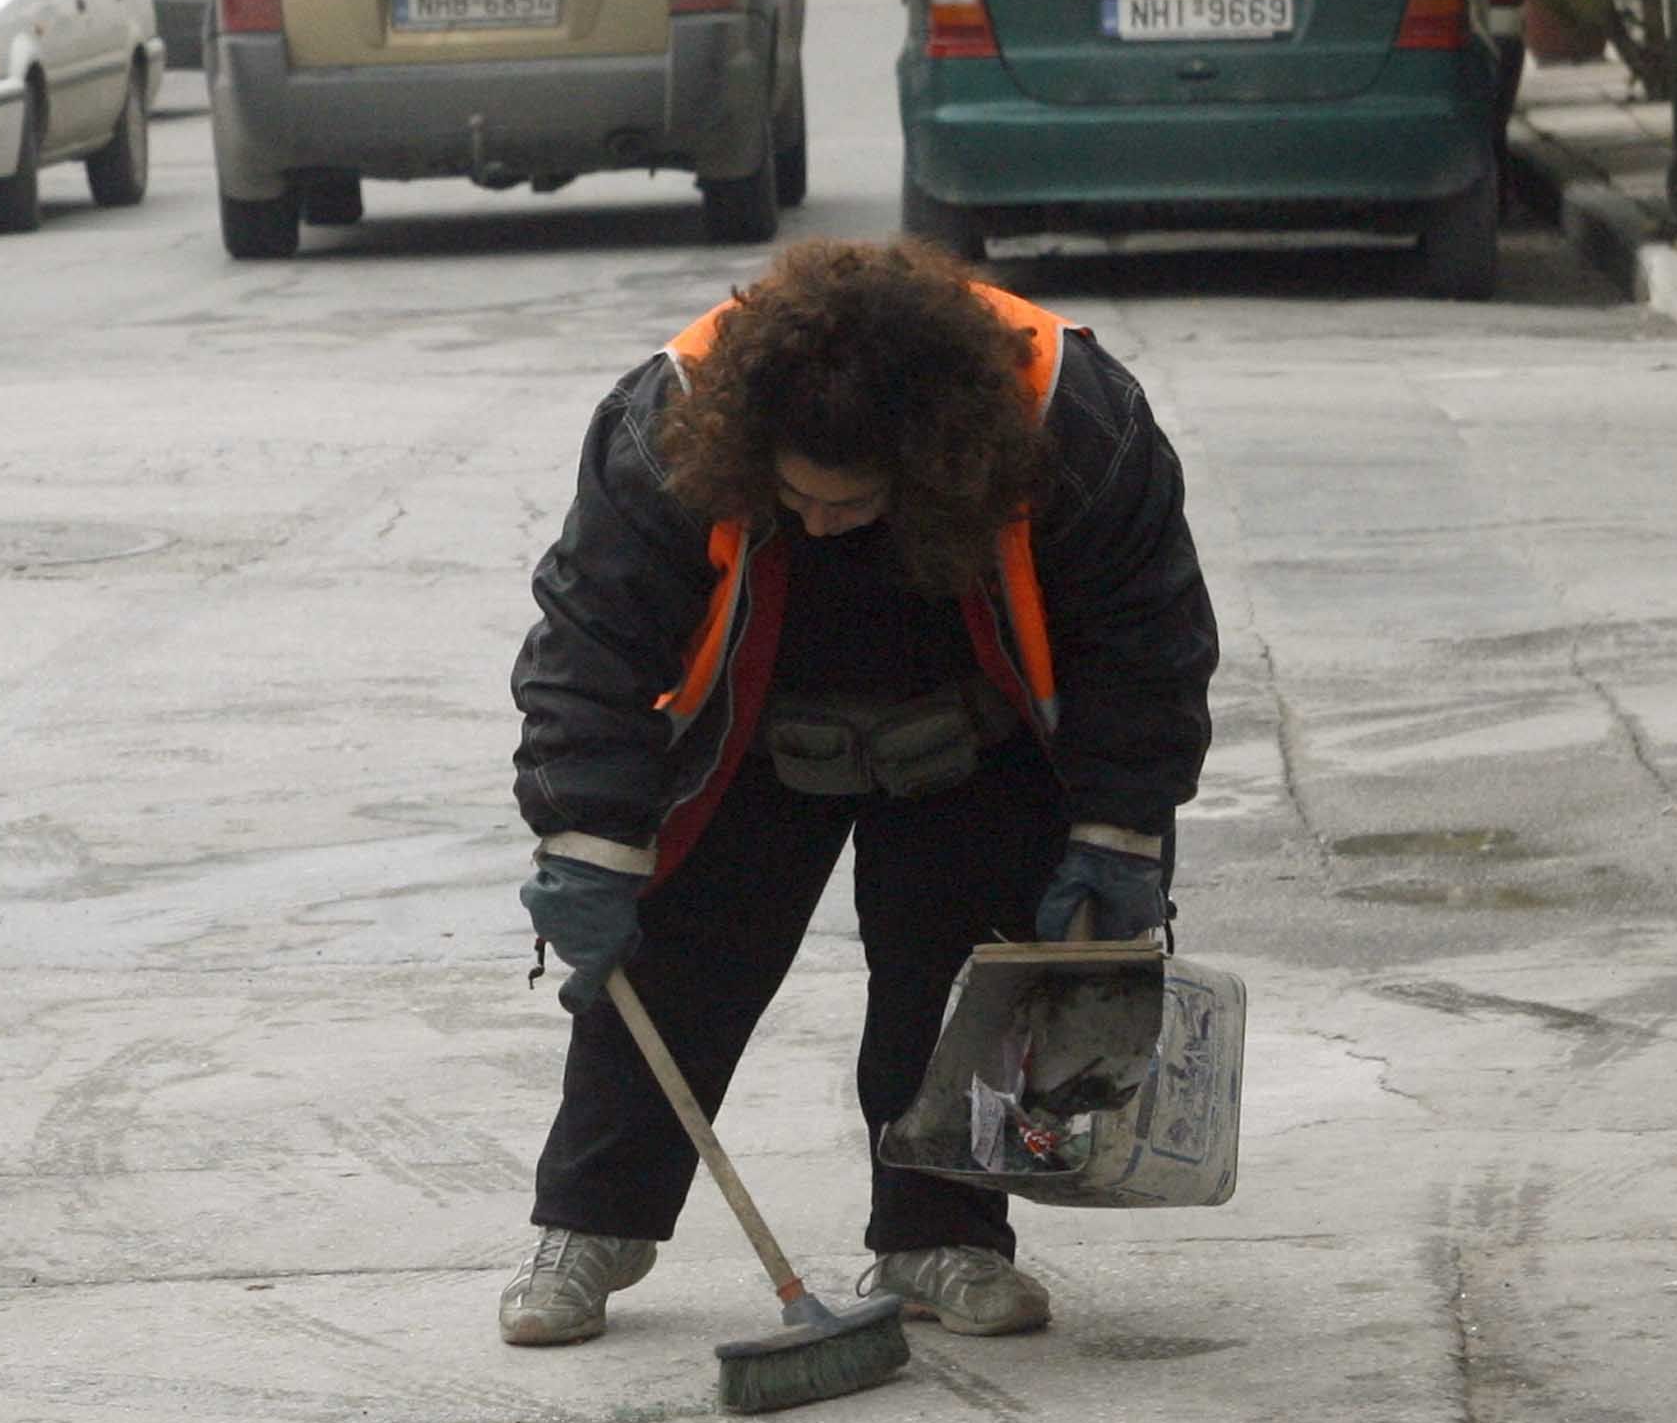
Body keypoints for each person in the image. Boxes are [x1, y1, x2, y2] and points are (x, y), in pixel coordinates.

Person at [504, 238, 1217, 1347]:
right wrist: (583, 838)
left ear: (927, 467)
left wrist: (1122, 829)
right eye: (796, 497)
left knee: (959, 984)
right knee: (674, 966)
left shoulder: (1068, 423)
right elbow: (592, 637)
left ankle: (942, 1237)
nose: (824, 523)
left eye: (853, 503)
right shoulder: (674, 425)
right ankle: (589, 1226)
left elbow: (1147, 638)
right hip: (750, 734)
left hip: (976, 735)